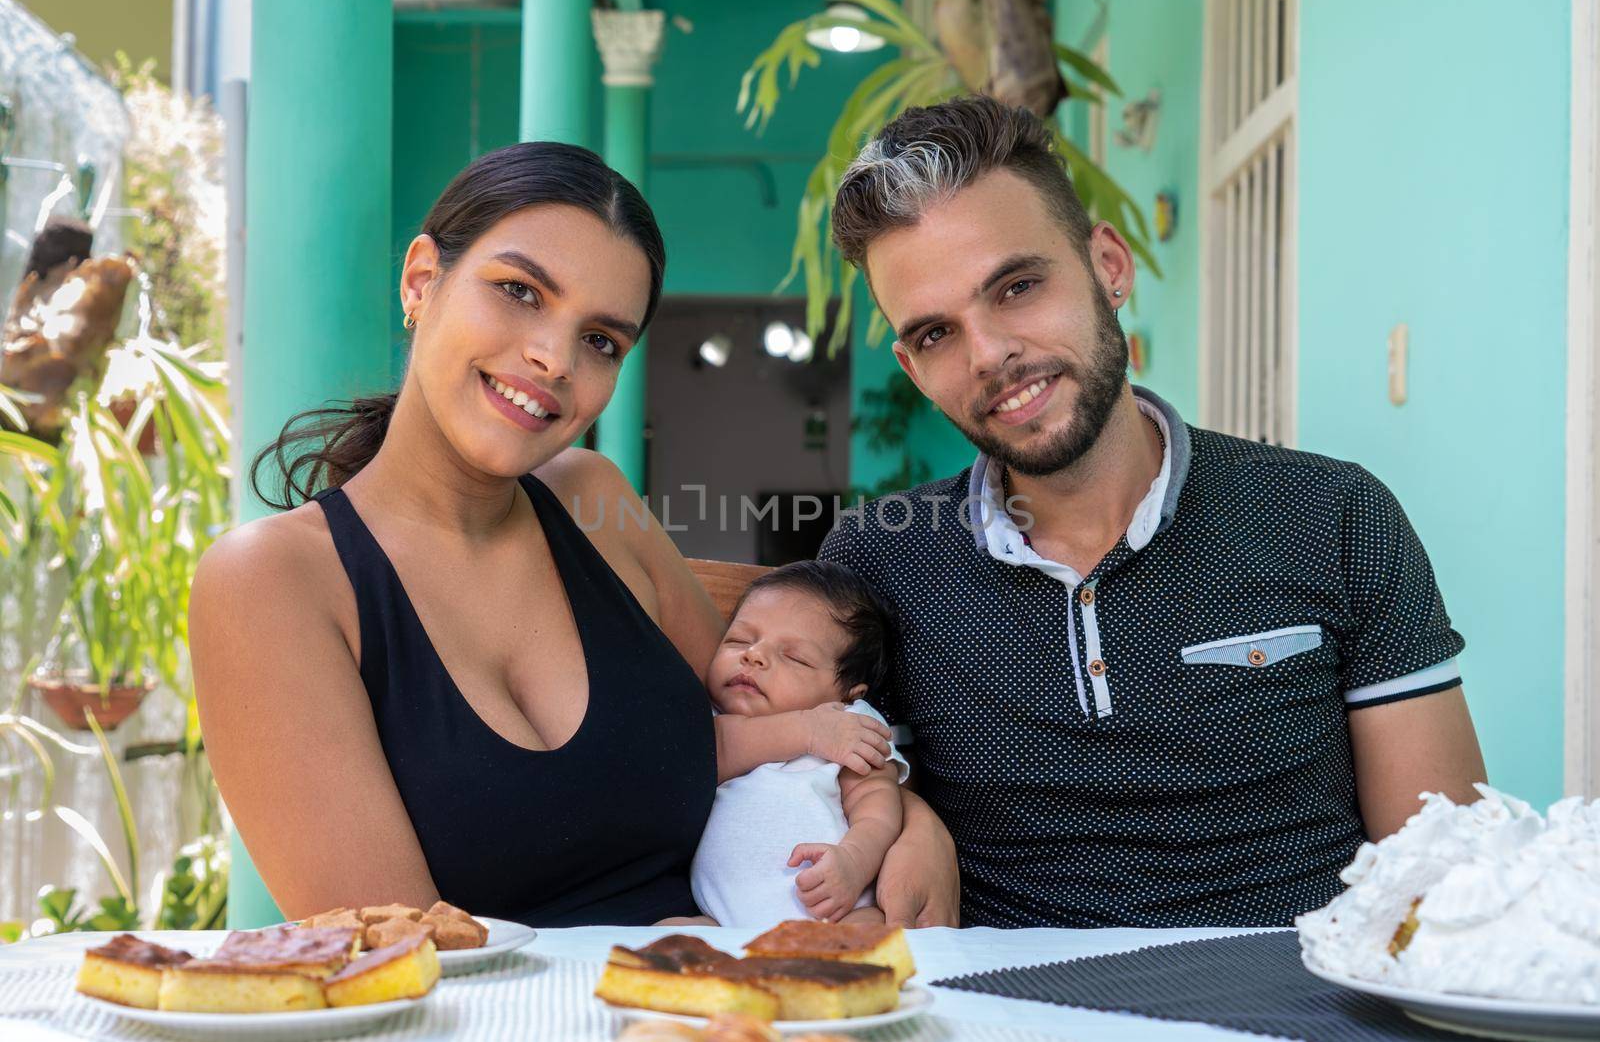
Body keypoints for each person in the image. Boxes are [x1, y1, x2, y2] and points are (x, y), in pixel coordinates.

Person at [190, 142, 957, 927]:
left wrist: (910, 821)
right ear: (422, 280)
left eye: (600, 341)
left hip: (746, 996)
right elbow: (398, 964)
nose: (552, 358)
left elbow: (769, 721)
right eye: (520, 291)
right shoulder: (275, 582)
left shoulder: (591, 502)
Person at [818, 97, 1488, 928]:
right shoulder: (879, 562)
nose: (989, 353)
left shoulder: (1334, 517)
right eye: (934, 334)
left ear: (1108, 263)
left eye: (1018, 286)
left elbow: (1443, 878)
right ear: (913, 369)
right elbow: (819, 800)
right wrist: (909, 817)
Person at [691, 561, 908, 927]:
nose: (753, 655)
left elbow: (877, 807)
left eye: (794, 657)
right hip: (723, 922)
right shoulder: (704, 718)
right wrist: (802, 730)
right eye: (739, 640)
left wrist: (854, 860)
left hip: (835, 912)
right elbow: (699, 760)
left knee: (876, 931)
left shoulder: (849, 724)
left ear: (845, 693)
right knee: (664, 935)